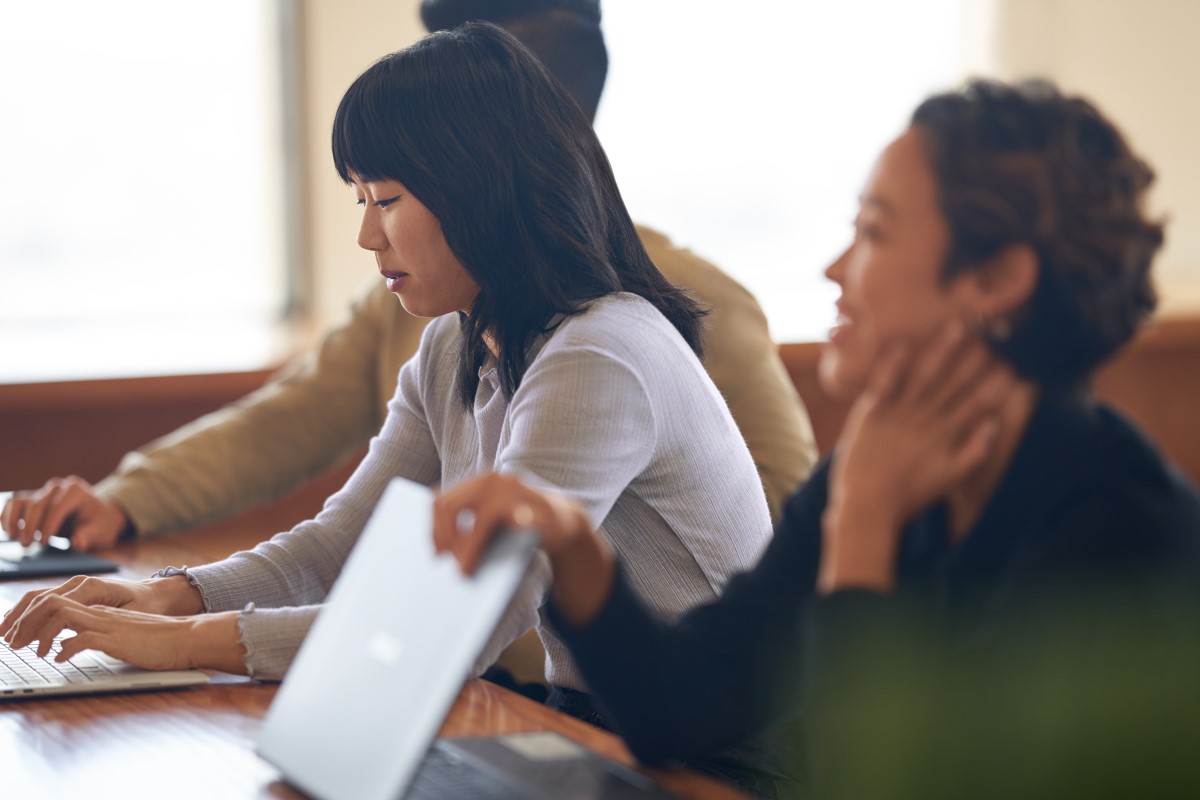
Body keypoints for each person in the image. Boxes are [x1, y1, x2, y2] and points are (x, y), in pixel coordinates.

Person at [429, 79, 1200, 798]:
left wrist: (862, 539)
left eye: (874, 232)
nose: (836, 269)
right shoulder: (866, 471)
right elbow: (679, 710)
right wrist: (573, 548)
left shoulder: (1122, 530)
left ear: (997, 280)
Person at [0, 23, 775, 720]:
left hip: (723, 752)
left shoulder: (600, 353)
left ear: (484, 192)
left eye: (388, 199)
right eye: (360, 197)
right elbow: (340, 542)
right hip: (598, 717)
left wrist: (170, 643)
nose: (369, 235)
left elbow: (457, 628)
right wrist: (163, 597)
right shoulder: (454, 342)